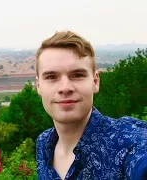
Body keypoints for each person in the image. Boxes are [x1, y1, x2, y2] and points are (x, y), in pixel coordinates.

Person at [35, 31, 147, 180]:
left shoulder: (129, 144)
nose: (65, 87)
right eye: (51, 77)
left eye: (77, 75)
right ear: (38, 86)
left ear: (95, 82)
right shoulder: (44, 144)